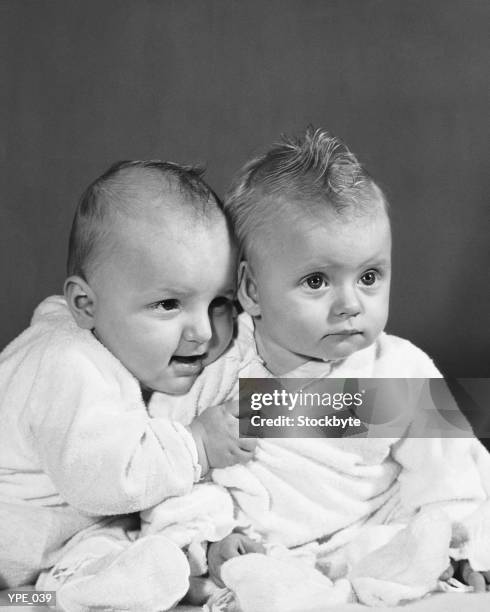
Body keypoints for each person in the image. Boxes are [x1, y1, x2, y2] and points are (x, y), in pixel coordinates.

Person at [144, 129, 490, 607]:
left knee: (427, 528)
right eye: (316, 281)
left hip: (372, 533)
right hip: (262, 548)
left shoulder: (398, 369)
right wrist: (207, 537)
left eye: (369, 277)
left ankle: (411, 566)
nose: (350, 304)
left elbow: (449, 472)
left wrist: (463, 542)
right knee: (224, 568)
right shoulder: (215, 367)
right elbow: (168, 461)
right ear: (252, 291)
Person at [0, 160, 256, 609]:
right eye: (167, 303)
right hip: (18, 543)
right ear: (85, 305)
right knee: (55, 584)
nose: (203, 331)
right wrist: (195, 445)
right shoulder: (67, 361)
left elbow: (378, 407)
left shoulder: (172, 352)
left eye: (220, 302)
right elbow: (105, 477)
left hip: (53, 547)